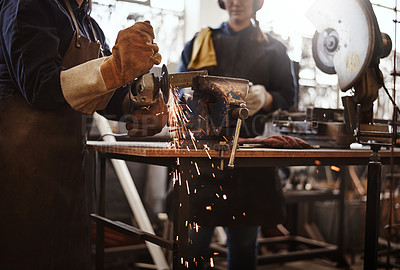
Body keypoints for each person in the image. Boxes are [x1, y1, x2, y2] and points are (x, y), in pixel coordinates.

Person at [0, 0, 167, 269]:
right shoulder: (27, 5)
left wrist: (136, 107)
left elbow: (108, 100)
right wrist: (114, 69)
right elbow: (39, 85)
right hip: (16, 173)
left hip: (67, 179)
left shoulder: (90, 27)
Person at [177, 0, 297, 269]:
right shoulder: (201, 41)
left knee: (243, 247)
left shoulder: (274, 49)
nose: (236, 2)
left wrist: (266, 97)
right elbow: (178, 87)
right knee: (192, 247)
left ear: (256, 3)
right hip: (203, 157)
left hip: (250, 159)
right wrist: (185, 96)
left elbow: (289, 97)